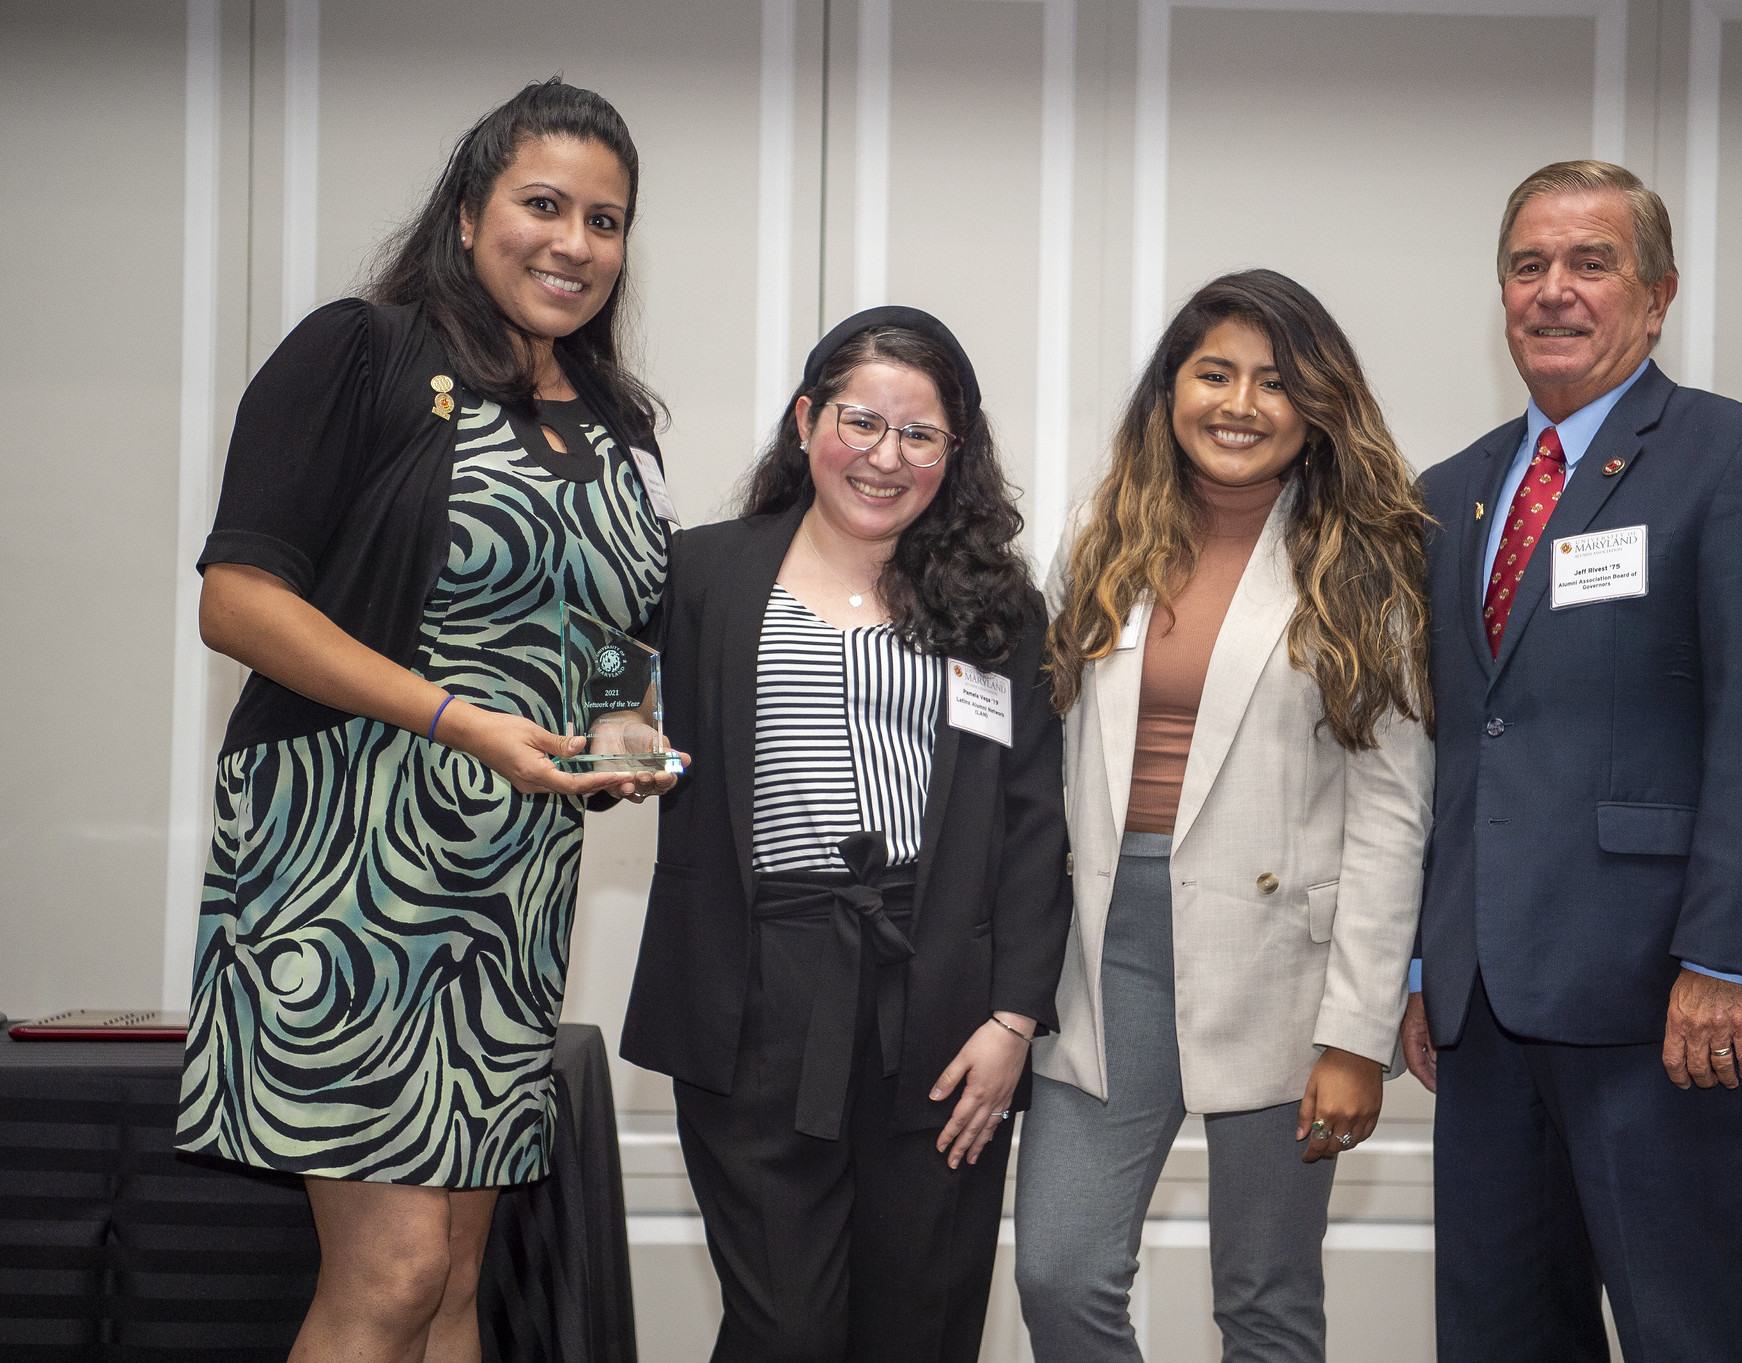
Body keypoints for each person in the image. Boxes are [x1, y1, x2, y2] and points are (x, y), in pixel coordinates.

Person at [174, 79, 677, 1363]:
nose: (574, 243)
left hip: (509, 888)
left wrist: (622, 728)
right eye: (543, 205)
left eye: (605, 220)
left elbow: (608, 626)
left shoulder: (617, 423)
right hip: (348, 865)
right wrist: (458, 719)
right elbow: (238, 600)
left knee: (454, 1276)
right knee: (392, 1272)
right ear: (466, 213)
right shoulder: (364, 350)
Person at [1400, 160, 1742, 1363]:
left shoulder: (1737, 457)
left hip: (1666, 1004)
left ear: (1657, 296)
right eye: (1527, 265)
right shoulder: (1450, 494)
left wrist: (1726, 958)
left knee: (1701, 1333)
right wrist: (1425, 963)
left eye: (1589, 263)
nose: (1553, 290)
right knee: (1499, 1337)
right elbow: (1450, 747)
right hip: (1484, 1010)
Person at [618, 306, 1070, 1363]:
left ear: (954, 453)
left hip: (944, 1003)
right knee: (786, 1330)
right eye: (860, 421)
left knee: (920, 1324)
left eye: (919, 434)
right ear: (806, 419)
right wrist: (611, 725)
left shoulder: (996, 605)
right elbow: (600, 663)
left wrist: (1012, 1019)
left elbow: (1032, 820)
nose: (884, 457)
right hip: (751, 991)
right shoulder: (702, 575)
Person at [1014, 269, 1435, 1362]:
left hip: (1285, 964)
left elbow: (1391, 814)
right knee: (1059, 1271)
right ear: (1171, 389)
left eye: (1274, 381)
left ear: (1315, 405)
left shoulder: (1367, 561)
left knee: (1265, 1299)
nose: (1240, 404)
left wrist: (1355, 1033)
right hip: (1106, 950)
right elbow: (1043, 749)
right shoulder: (1101, 535)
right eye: (1214, 374)